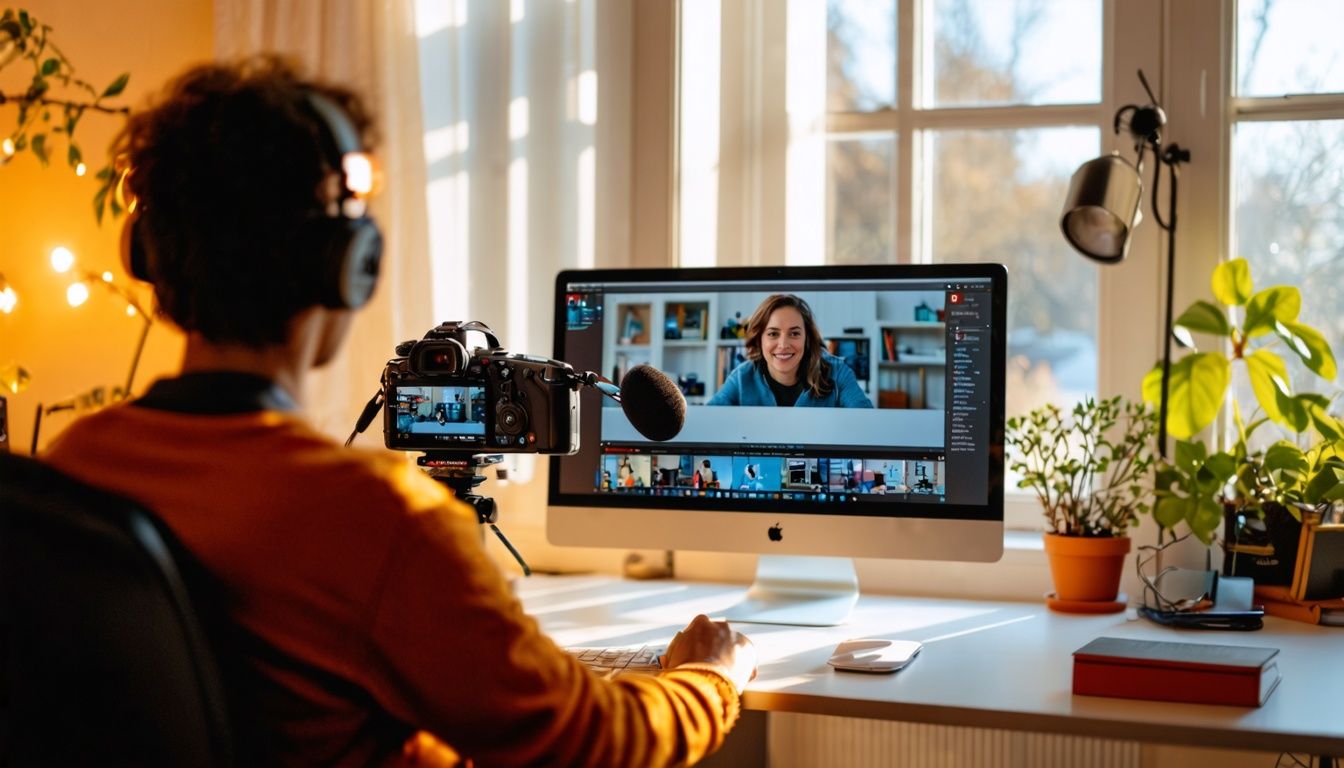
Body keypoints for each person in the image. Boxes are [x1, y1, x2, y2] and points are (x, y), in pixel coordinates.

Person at [42, 57, 755, 768]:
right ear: (346, 264)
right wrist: (710, 678)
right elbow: (590, 743)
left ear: (147, 252)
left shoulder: (78, 465)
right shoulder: (379, 518)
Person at [707, 294, 873, 408]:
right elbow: (706, 424)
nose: (783, 344)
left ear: (807, 338)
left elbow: (867, 425)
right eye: (773, 334)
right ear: (759, 339)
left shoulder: (838, 373)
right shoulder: (742, 378)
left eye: (794, 333)